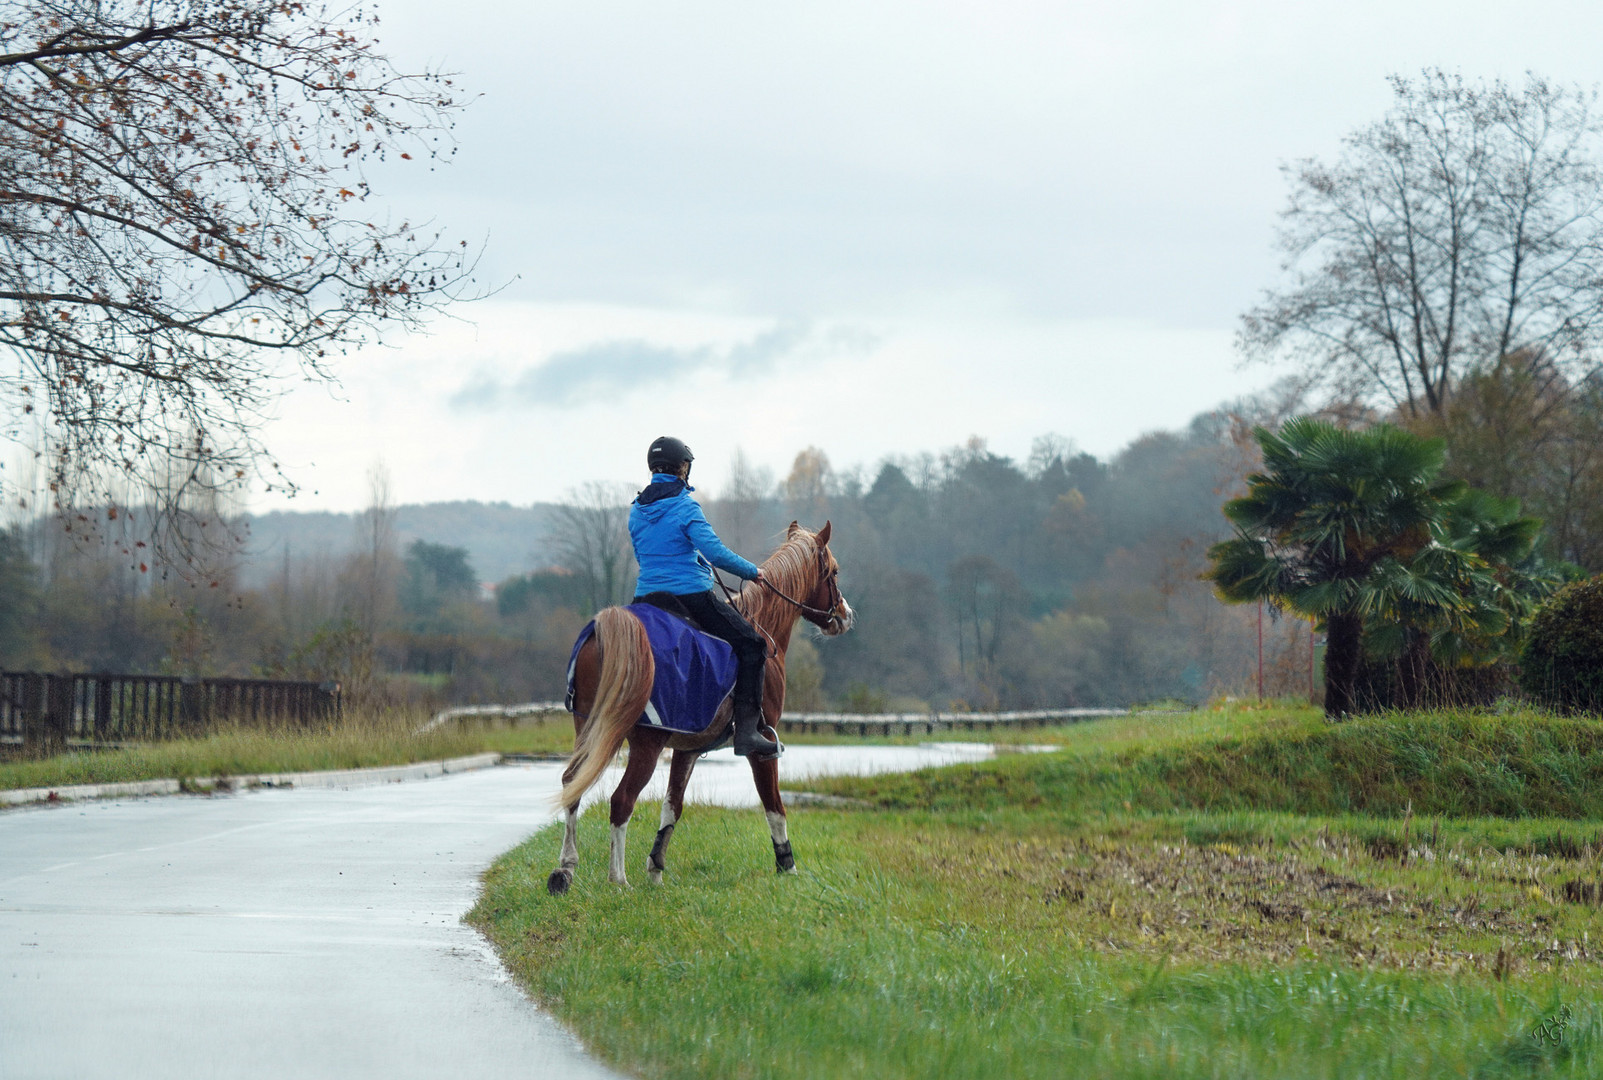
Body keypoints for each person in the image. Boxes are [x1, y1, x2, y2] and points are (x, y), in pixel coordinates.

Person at [628, 436, 781, 760]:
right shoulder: (685, 505)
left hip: (646, 598)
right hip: (689, 596)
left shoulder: (637, 510)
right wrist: (752, 571)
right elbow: (714, 552)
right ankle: (747, 733)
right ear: (682, 467)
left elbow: (644, 557)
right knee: (752, 645)